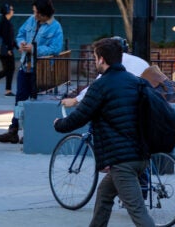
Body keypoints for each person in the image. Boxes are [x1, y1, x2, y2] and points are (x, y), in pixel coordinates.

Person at [53, 37, 154, 227]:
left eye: (95, 58)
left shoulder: (101, 85)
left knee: (138, 213)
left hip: (122, 161)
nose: (94, 62)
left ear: (101, 59)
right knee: (104, 195)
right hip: (141, 156)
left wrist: (59, 124)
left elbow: (80, 116)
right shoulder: (136, 81)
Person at [0, 0, 64, 144]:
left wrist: (35, 49)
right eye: (34, 11)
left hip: (41, 69)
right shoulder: (31, 20)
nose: (34, 14)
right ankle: (13, 130)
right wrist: (21, 44)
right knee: (20, 99)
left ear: (44, 13)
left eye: (37, 12)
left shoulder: (55, 27)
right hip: (26, 65)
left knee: (34, 100)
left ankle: (29, 133)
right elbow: (20, 35)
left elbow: (56, 48)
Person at [64, 36, 175, 106]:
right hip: (155, 102)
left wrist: (75, 100)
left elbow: (97, 86)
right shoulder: (137, 61)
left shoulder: (118, 62)